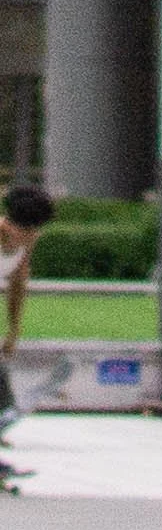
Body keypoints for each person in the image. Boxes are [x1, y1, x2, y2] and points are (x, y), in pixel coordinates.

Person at [0, 183, 56, 432]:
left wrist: (13, 330)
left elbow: (18, 285)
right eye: (31, 229)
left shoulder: (27, 240)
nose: (35, 235)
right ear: (11, 226)